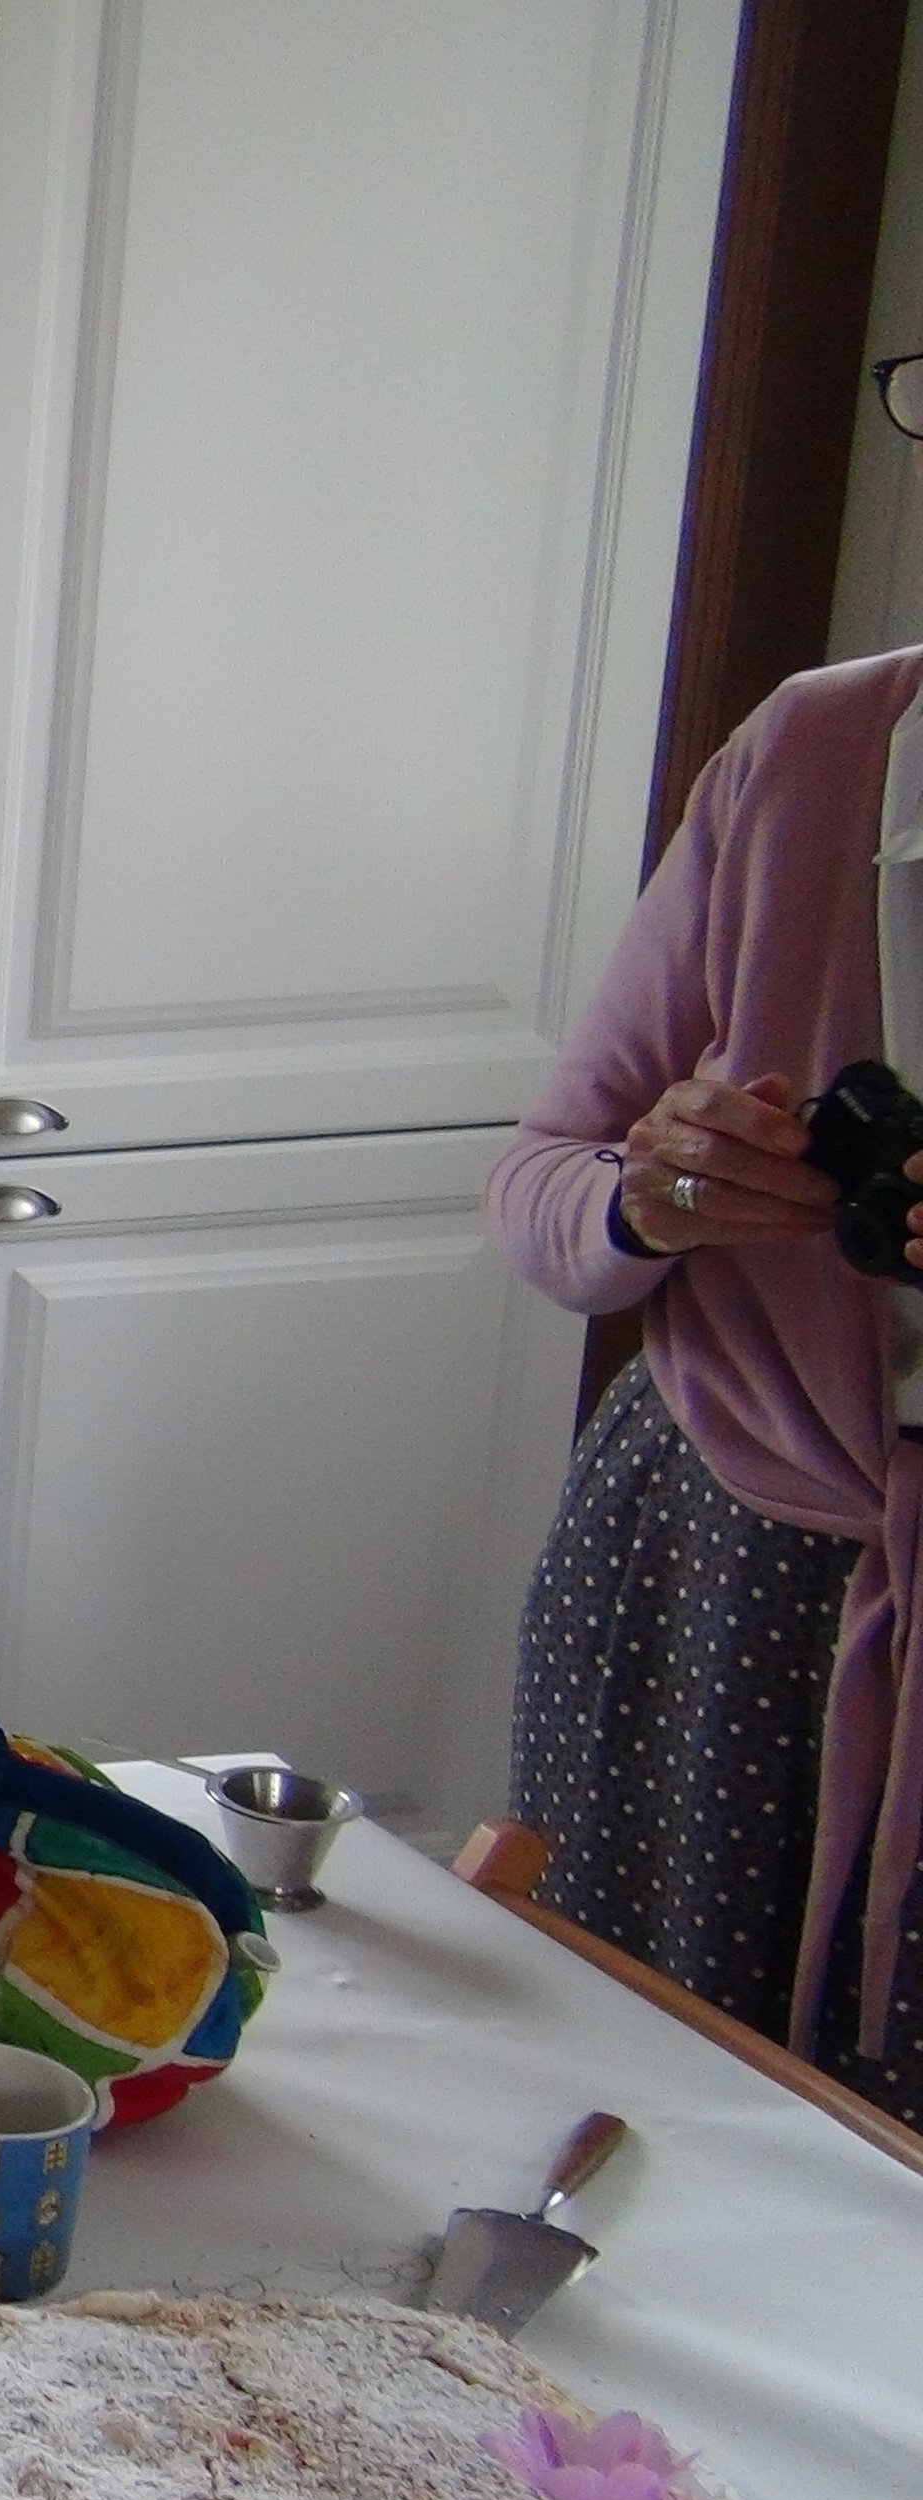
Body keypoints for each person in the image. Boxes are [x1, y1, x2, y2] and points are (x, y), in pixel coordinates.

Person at [490, 617, 923, 2133]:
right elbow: (544, 1178)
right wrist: (651, 1196)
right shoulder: (817, 751)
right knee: (628, 2111)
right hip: (708, 1577)